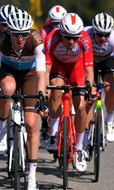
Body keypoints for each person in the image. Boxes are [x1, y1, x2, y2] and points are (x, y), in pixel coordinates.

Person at [0, 9, 46, 190]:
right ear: (8, 32)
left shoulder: (35, 40)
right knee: (8, 88)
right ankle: (2, 123)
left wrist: (42, 97)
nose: (20, 38)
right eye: (15, 34)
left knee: (31, 123)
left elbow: (41, 74)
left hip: (29, 75)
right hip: (8, 72)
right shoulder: (1, 42)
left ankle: (32, 179)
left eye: (23, 34)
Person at [44, 13, 94, 172]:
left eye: (75, 38)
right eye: (67, 37)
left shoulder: (85, 39)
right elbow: (46, 69)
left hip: (76, 68)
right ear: (61, 33)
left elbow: (89, 69)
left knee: (80, 107)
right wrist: (45, 89)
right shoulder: (52, 38)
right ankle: (52, 131)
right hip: (58, 67)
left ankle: (78, 148)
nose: (71, 42)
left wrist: (89, 87)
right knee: (55, 90)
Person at [84, 12, 114, 145]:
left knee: (111, 88)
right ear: (93, 31)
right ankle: (85, 130)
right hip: (89, 61)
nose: (103, 38)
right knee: (87, 92)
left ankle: (109, 120)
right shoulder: (85, 33)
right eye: (99, 34)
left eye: (106, 34)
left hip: (106, 61)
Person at [0, 4, 19, 153]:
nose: (5, 28)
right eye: (2, 24)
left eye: (8, 24)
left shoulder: (18, 28)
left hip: (14, 63)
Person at [39, 5, 67, 146]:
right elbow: (45, 62)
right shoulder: (45, 32)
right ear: (50, 22)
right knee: (50, 93)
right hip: (50, 60)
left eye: (60, 23)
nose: (57, 26)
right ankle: (46, 123)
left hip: (66, 61)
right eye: (54, 23)